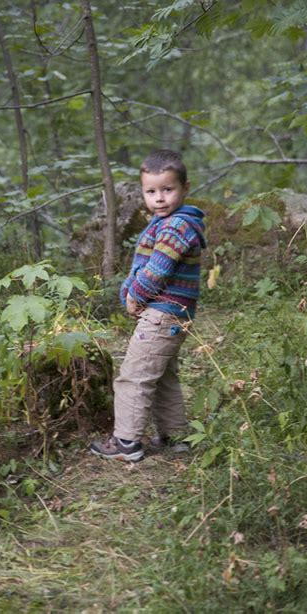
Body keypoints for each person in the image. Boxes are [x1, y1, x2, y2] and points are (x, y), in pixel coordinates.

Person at [90, 149, 207, 462]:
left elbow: (158, 269)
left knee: (134, 375)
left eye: (167, 189)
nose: (159, 198)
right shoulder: (169, 222)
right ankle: (176, 436)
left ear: (185, 188)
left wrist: (135, 296)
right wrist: (132, 291)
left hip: (163, 312)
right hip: (171, 313)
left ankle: (126, 441)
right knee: (163, 376)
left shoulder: (176, 226)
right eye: (151, 191)